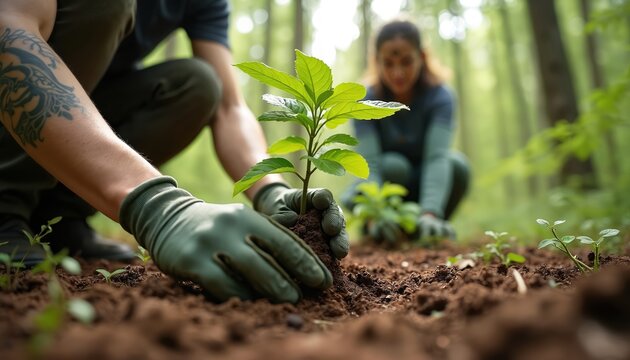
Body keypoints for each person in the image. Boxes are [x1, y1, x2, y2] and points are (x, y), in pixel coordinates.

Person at [0, 0, 348, 304]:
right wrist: (158, 206)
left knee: (198, 85)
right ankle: (6, 207)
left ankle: (58, 218)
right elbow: (8, 25)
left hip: (82, 119)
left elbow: (230, 108)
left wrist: (270, 189)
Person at [343, 19, 470, 244]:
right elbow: (369, 164)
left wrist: (430, 211)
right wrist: (374, 214)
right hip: (385, 184)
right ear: (377, 62)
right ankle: (379, 230)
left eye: (406, 61)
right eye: (388, 63)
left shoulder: (440, 97)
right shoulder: (366, 101)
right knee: (395, 165)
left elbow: (437, 158)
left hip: (423, 184)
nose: (398, 72)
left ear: (421, 58)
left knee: (457, 166)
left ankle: (427, 229)